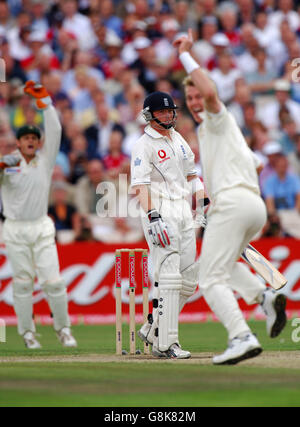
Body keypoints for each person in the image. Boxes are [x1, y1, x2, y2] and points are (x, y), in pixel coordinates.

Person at [174, 30, 287, 365]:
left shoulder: (216, 118)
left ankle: (241, 336)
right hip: (252, 207)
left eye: (197, 96)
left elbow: (210, 92)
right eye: (190, 98)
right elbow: (257, 161)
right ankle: (264, 297)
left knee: (209, 278)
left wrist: (185, 54)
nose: (195, 102)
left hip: (236, 204)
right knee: (223, 261)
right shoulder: (218, 132)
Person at [0, 81, 77, 350]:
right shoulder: (8, 164)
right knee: (22, 284)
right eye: (26, 139)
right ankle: (27, 333)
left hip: (41, 227)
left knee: (54, 282)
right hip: (15, 229)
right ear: (18, 142)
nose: (31, 141)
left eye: (34, 138)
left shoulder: (45, 161)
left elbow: (55, 130)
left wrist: (45, 102)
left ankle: (63, 329)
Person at [131, 91, 208, 359]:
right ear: (150, 115)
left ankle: (153, 327)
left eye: (170, 111)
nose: (168, 115)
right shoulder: (143, 144)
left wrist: (203, 203)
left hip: (183, 211)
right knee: (170, 278)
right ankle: (166, 343)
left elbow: (192, 175)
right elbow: (140, 185)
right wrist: (152, 215)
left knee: (189, 279)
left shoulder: (178, 138)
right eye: (162, 112)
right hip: (160, 212)